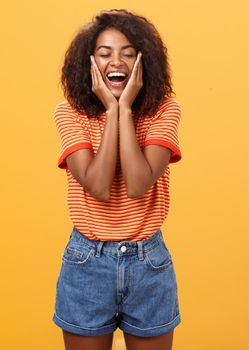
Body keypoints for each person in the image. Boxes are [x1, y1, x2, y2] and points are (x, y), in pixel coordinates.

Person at [52, 9, 182, 350]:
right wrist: (112, 111)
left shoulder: (165, 111)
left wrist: (125, 110)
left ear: (143, 61)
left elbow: (139, 185)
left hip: (148, 263)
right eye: (105, 53)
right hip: (87, 263)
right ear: (90, 63)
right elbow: (98, 186)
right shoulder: (68, 114)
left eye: (128, 53)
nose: (117, 62)